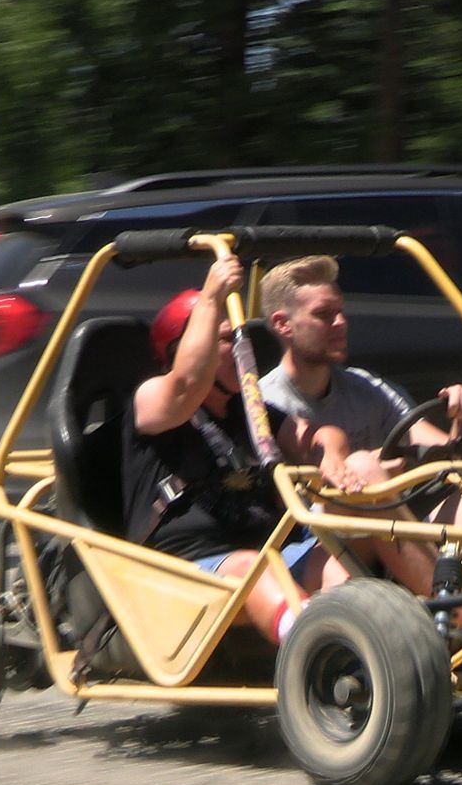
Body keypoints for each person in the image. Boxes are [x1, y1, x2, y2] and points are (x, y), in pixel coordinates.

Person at [123, 255, 401, 644]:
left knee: (355, 539)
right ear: (179, 349)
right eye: (227, 340)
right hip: (186, 573)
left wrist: (333, 456)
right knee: (250, 567)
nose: (243, 352)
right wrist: (211, 298)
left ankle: (386, 637)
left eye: (244, 340)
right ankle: (317, 644)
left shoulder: (252, 412)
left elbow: (318, 434)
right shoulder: (154, 401)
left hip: (273, 553)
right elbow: (186, 384)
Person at [256, 255, 462, 589]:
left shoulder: (365, 388)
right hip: (328, 556)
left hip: (403, 543)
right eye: (324, 315)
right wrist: (382, 470)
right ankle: (452, 611)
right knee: (364, 467)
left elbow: (455, 464)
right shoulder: (265, 407)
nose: (340, 322)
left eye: (341, 311)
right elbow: (287, 512)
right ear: (283, 325)